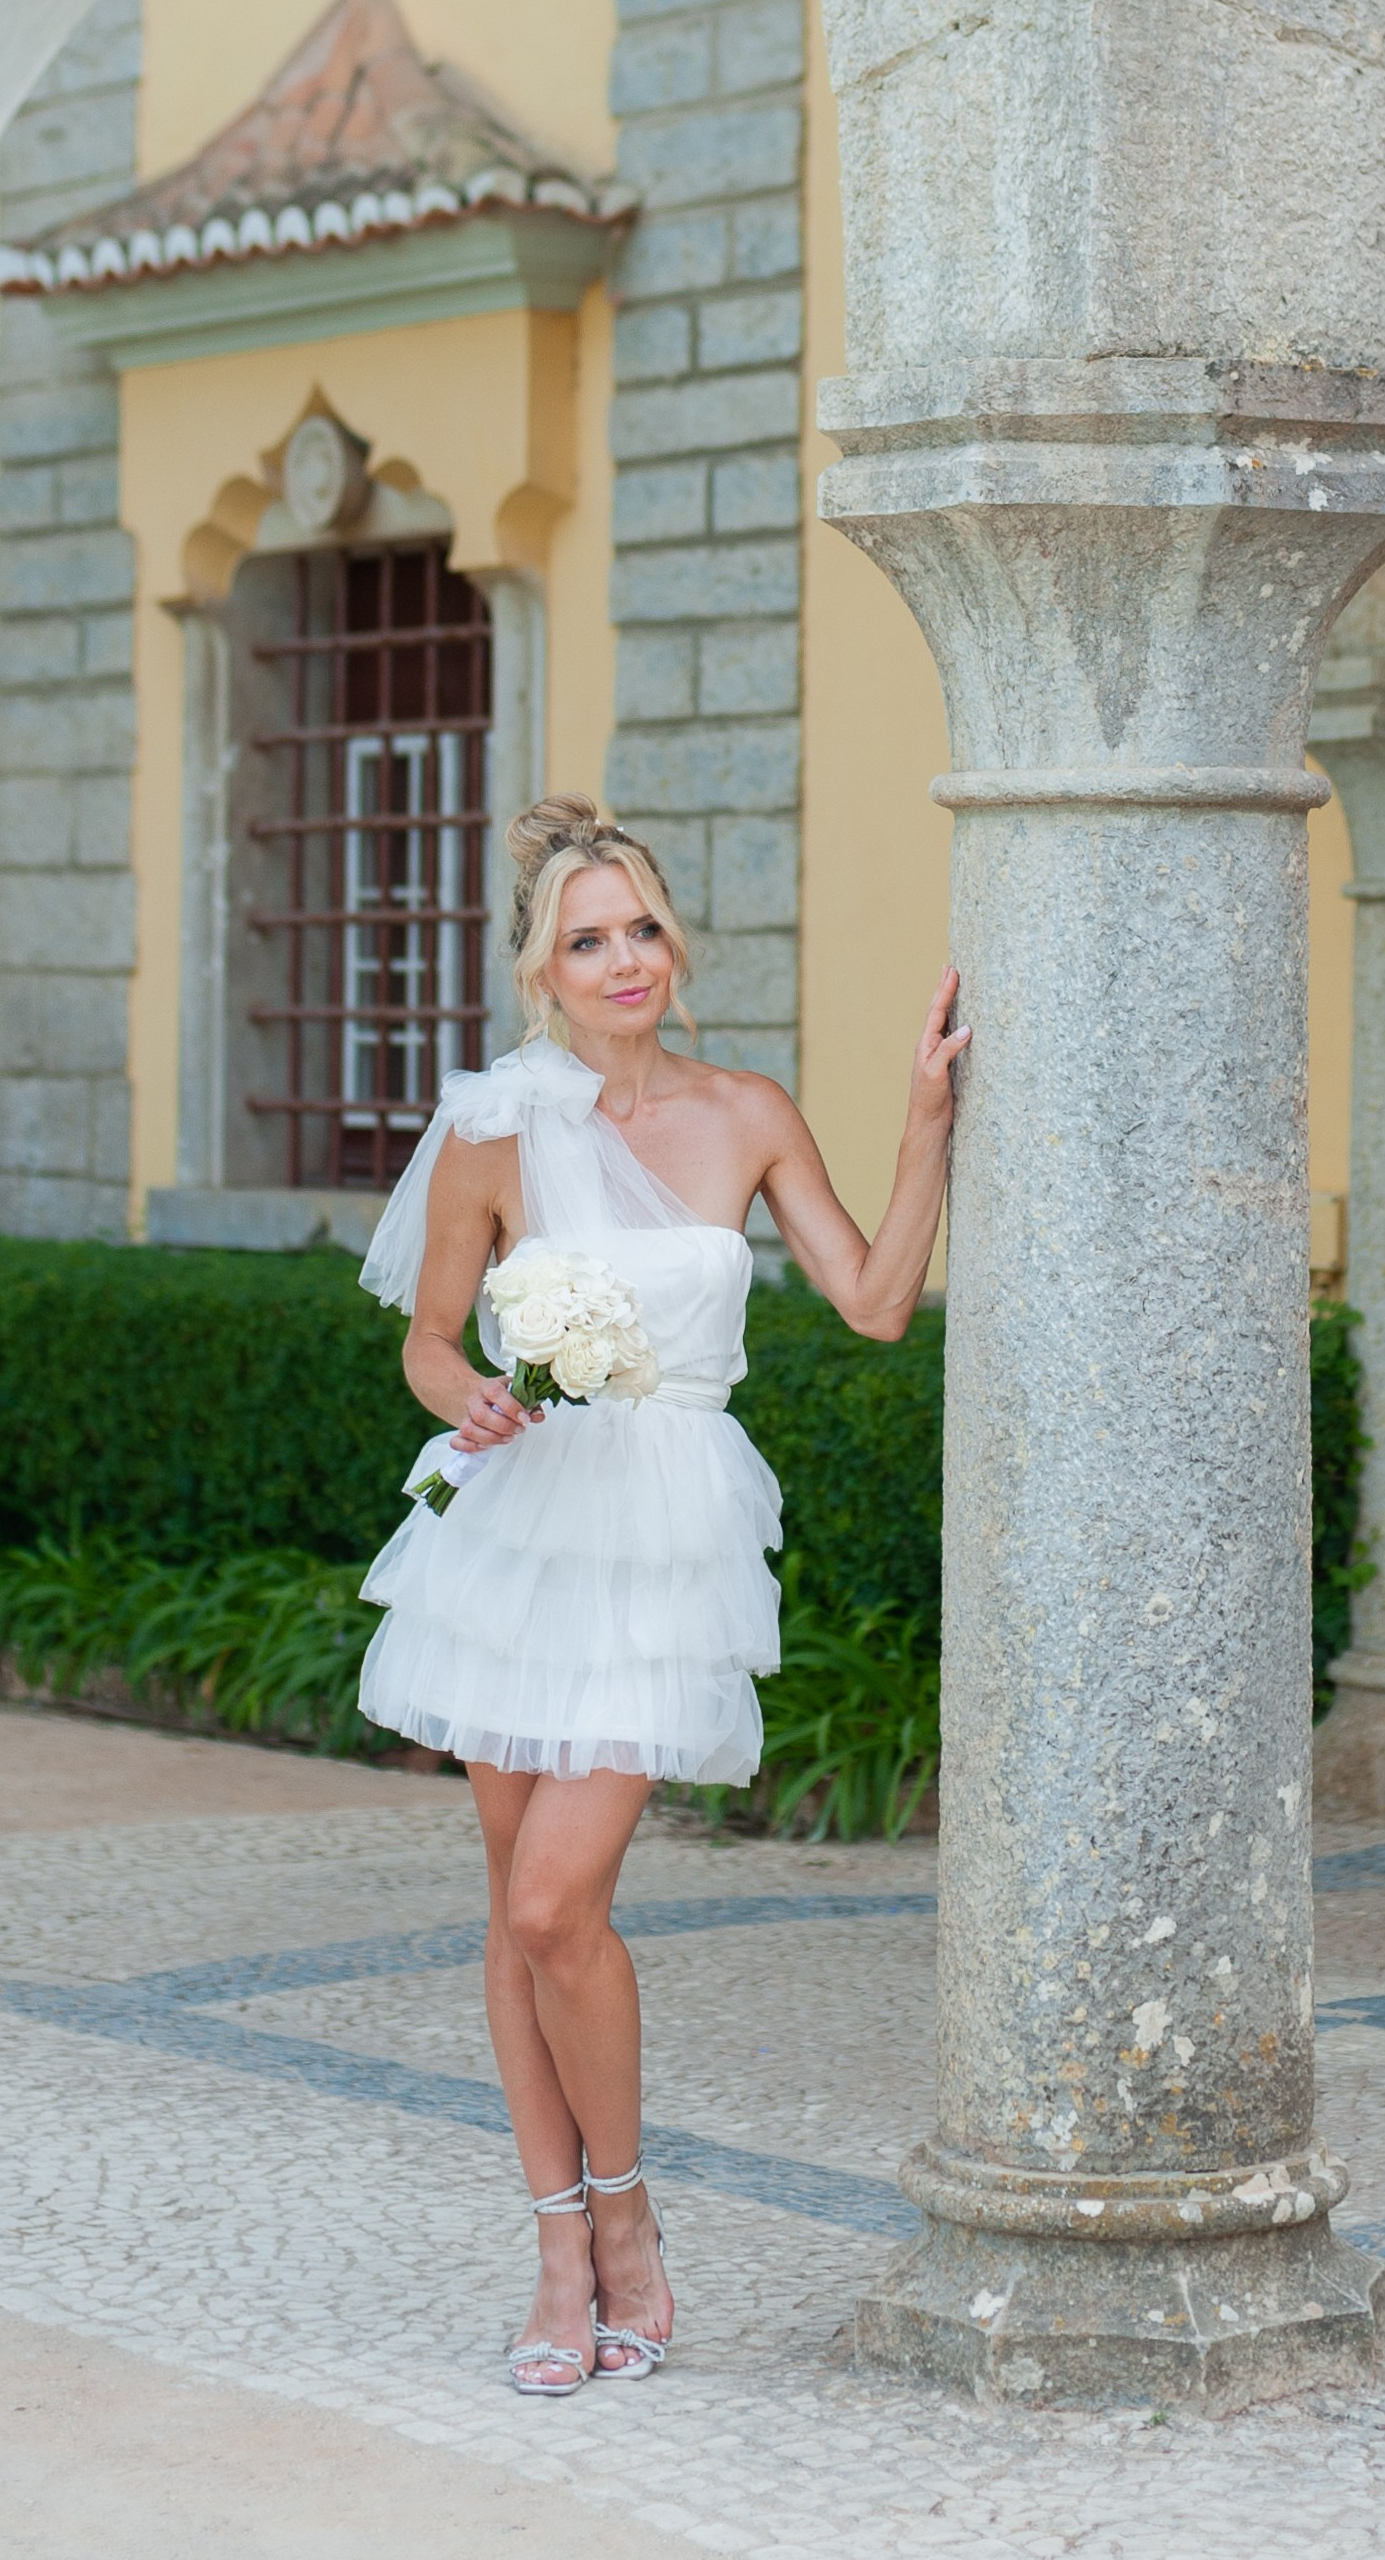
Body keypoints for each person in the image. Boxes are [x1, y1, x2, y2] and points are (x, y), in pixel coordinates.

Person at [355, 796, 967, 2398]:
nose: (624, 959)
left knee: (557, 1902)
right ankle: (562, 2251)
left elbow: (876, 1301)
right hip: (519, 1531)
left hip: (670, 1533)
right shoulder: (497, 1129)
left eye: (641, 928)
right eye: (588, 939)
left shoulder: (745, 1110)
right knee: (514, 1910)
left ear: (673, 943)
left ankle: (627, 2217)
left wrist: (925, 1121)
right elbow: (430, 1339)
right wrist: (470, 1397)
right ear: (540, 972)